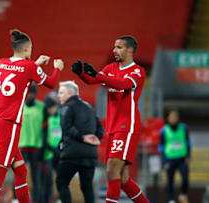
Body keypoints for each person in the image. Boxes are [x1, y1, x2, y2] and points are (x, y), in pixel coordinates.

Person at [0, 29, 64, 203]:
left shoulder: (2, 62)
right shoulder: (29, 67)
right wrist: (57, 69)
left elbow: (19, 77)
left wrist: (36, 64)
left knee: (21, 171)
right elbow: (51, 83)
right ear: (27, 49)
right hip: (9, 124)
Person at [72, 35, 150, 202]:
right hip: (113, 127)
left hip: (127, 126)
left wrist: (99, 76)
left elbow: (122, 85)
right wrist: (81, 74)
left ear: (130, 50)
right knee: (122, 179)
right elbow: (93, 79)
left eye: (119, 47)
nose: (114, 50)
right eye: (114, 47)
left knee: (111, 169)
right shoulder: (111, 68)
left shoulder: (137, 71)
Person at [56, 81, 103, 203]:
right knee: (87, 187)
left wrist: (82, 137)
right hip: (90, 155)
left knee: (61, 182)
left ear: (70, 93)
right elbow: (100, 128)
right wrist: (96, 138)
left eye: (61, 92)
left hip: (72, 154)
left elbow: (66, 127)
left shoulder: (66, 107)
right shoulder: (90, 108)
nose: (58, 96)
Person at [18, 84, 45, 203]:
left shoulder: (42, 107)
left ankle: (36, 200)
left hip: (36, 147)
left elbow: (46, 128)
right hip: (21, 147)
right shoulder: (18, 106)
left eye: (32, 93)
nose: (30, 96)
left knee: (36, 178)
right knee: (19, 176)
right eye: (28, 93)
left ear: (35, 94)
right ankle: (16, 199)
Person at [158, 109, 191, 203]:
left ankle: (183, 194)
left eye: (175, 116)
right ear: (168, 118)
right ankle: (171, 199)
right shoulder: (164, 130)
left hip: (182, 158)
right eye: (172, 116)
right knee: (170, 181)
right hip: (170, 159)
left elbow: (188, 142)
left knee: (185, 178)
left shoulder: (184, 128)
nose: (174, 118)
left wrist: (188, 155)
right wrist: (164, 160)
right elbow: (161, 146)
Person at [41, 96, 62, 203]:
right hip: (48, 154)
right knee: (47, 180)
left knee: (61, 179)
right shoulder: (45, 118)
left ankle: (58, 199)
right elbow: (42, 137)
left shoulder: (61, 117)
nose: (50, 110)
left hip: (60, 153)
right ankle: (47, 200)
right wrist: (52, 149)